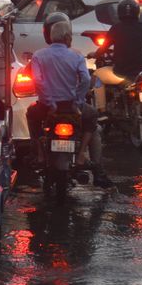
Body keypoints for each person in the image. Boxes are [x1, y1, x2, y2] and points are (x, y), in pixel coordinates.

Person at [30, 18, 106, 190]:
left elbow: (38, 81)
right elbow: (86, 79)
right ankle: (81, 157)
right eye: (70, 36)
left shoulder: (39, 55)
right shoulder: (77, 55)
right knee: (92, 116)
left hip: (47, 108)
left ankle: (40, 154)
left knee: (31, 115)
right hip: (71, 106)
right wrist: (77, 102)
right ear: (66, 38)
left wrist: (49, 102)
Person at [108, 0, 142, 80]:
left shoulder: (116, 28)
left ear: (119, 12)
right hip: (141, 70)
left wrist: (95, 54)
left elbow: (105, 45)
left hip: (121, 71)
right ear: (137, 11)